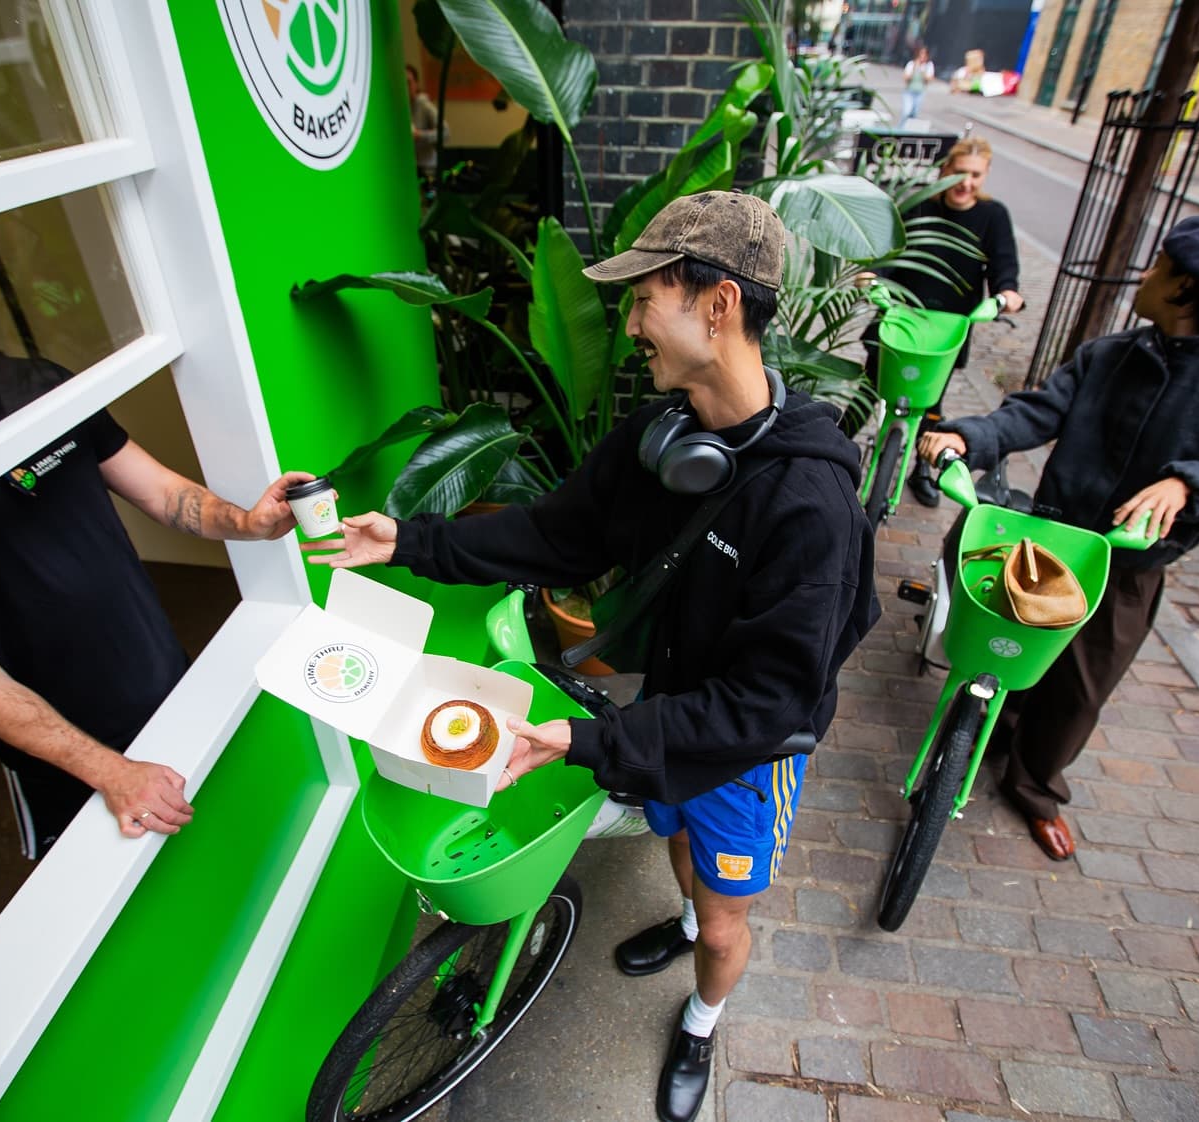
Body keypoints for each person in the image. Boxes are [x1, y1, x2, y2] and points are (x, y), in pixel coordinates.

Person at [305, 191, 879, 1122]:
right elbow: (555, 536)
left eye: (646, 294)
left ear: (717, 306)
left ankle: (702, 1011)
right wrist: (406, 542)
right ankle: (686, 914)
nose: (630, 319)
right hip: (667, 713)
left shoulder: (809, 507)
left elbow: (767, 706)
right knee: (679, 849)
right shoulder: (662, 434)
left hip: (748, 748)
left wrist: (583, 740)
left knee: (728, 914)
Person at [0, 249, 313, 859]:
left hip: (169, 684)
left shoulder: (30, 386)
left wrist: (249, 524)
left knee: (239, 848)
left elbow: (163, 494)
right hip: (65, 762)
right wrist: (109, 772)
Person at [918, 214, 1199, 862]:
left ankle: (1034, 789)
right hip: (1049, 538)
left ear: (1185, 288)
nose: (1144, 275)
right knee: (1007, 654)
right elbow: (1037, 410)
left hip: (1127, 566)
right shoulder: (1113, 353)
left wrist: (1190, 487)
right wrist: (970, 437)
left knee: (1079, 690)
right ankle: (989, 734)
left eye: (1159, 266)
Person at [852, 135, 1024, 506]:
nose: (966, 182)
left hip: (948, 325)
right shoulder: (918, 206)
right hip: (901, 315)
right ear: (943, 170)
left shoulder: (993, 216)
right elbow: (889, 248)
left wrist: (1006, 293)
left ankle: (922, 468)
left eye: (976, 175)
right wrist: (873, 275)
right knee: (870, 385)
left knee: (932, 400)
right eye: (959, 172)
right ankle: (834, 447)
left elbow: (1003, 264)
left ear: (986, 175)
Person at [405, 63, 445, 180]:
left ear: (416, 84)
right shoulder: (399, 108)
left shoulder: (424, 105)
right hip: (408, 166)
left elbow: (445, 132)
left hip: (428, 167)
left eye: (409, 82)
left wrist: (420, 135)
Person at [899, 45, 935, 127]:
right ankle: (901, 128)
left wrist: (923, 72)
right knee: (906, 112)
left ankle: (909, 130)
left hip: (920, 92)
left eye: (924, 55)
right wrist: (915, 68)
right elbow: (906, 77)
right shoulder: (911, 64)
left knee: (914, 113)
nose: (922, 57)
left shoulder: (928, 65)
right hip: (909, 91)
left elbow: (930, 79)